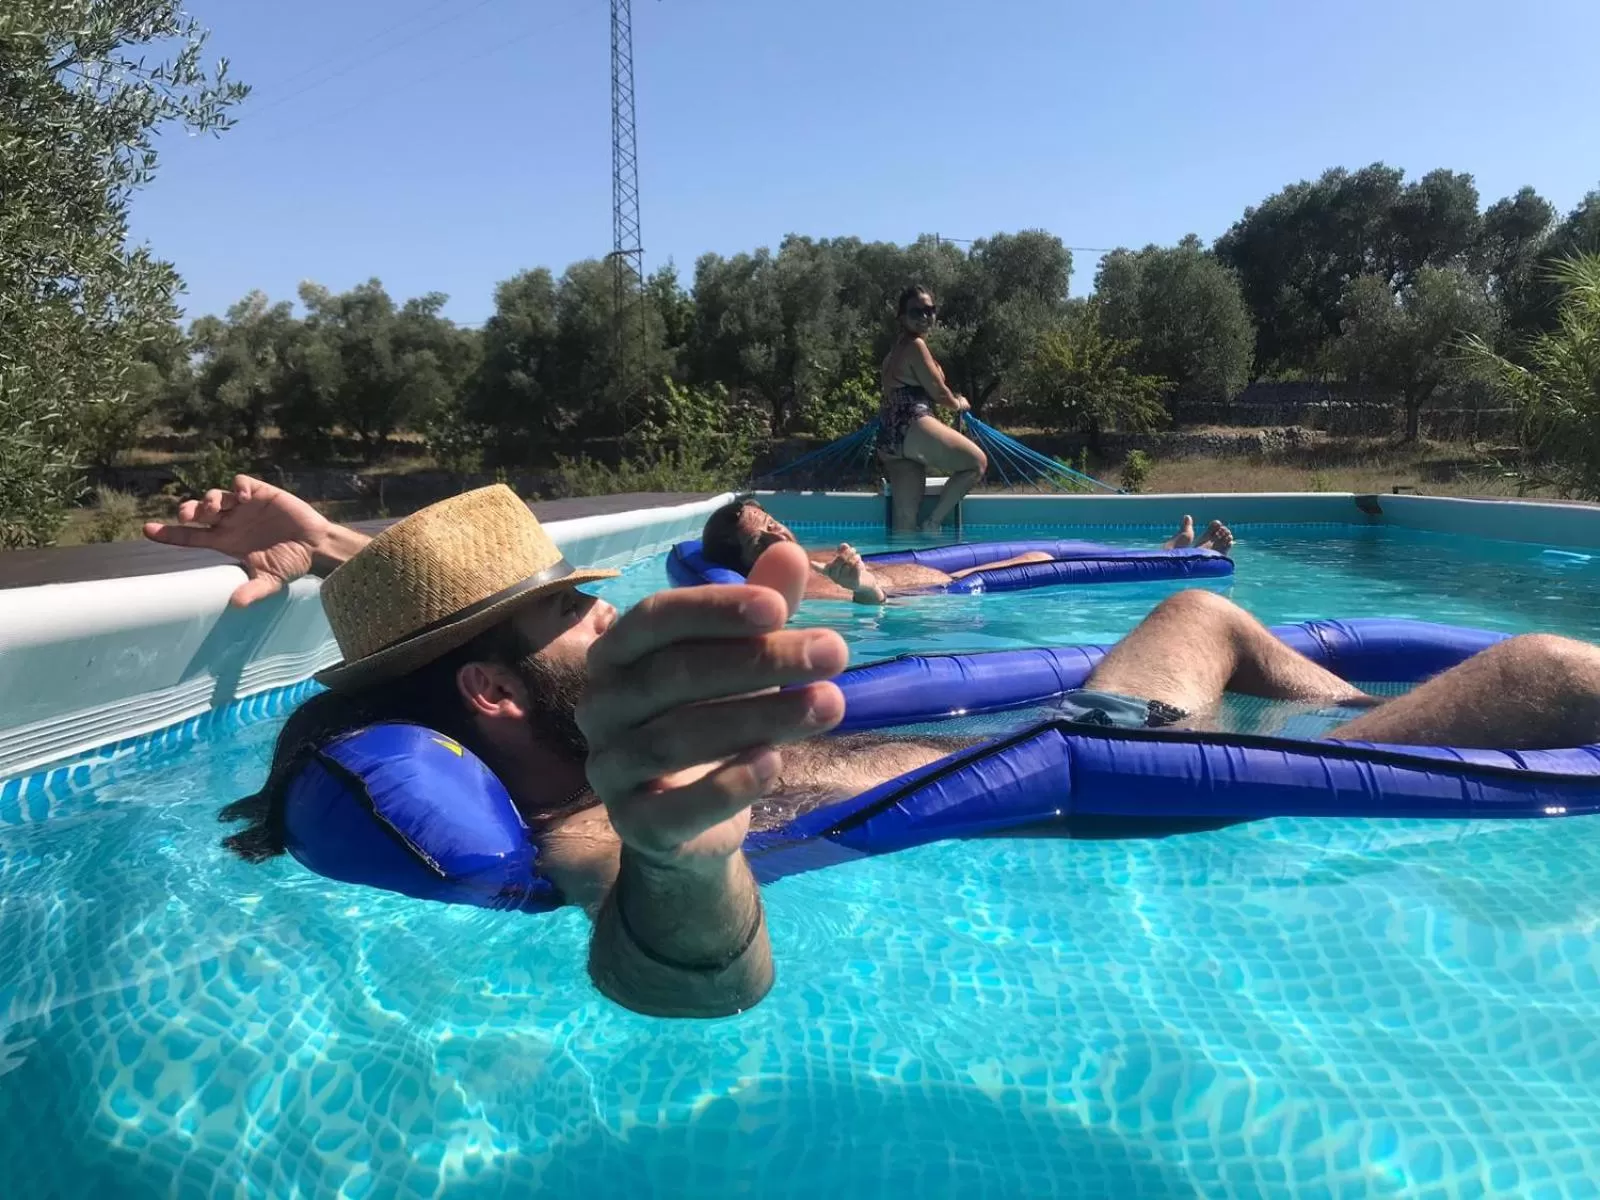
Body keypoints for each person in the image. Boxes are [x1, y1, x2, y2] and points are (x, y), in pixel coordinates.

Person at [146, 477, 1600, 1019]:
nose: (610, 631)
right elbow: (663, 930)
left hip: (1077, 726)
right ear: (505, 700)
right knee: (1541, 664)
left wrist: (335, 546)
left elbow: (479, 647)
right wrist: (675, 846)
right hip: (1148, 794)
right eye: (575, 626)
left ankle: (1355, 712)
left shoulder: (515, 704)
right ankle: (1389, 723)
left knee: (1204, 603)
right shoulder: (589, 821)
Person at [697, 496, 1235, 604]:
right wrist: (860, 582)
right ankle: (1175, 558)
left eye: (773, 522)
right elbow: (869, 605)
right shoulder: (784, 587)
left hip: (928, 572)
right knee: (1039, 561)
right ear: (743, 562)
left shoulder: (796, 556)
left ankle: (1161, 549)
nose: (778, 536)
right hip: (942, 593)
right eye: (761, 538)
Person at [879, 285, 991, 533]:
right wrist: (958, 403)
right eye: (916, 312)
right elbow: (939, 392)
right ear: (902, 317)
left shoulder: (893, 352)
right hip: (913, 423)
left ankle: (900, 566)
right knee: (976, 463)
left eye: (930, 310)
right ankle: (933, 523)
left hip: (889, 436)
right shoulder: (916, 346)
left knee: (905, 518)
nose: (925, 316)